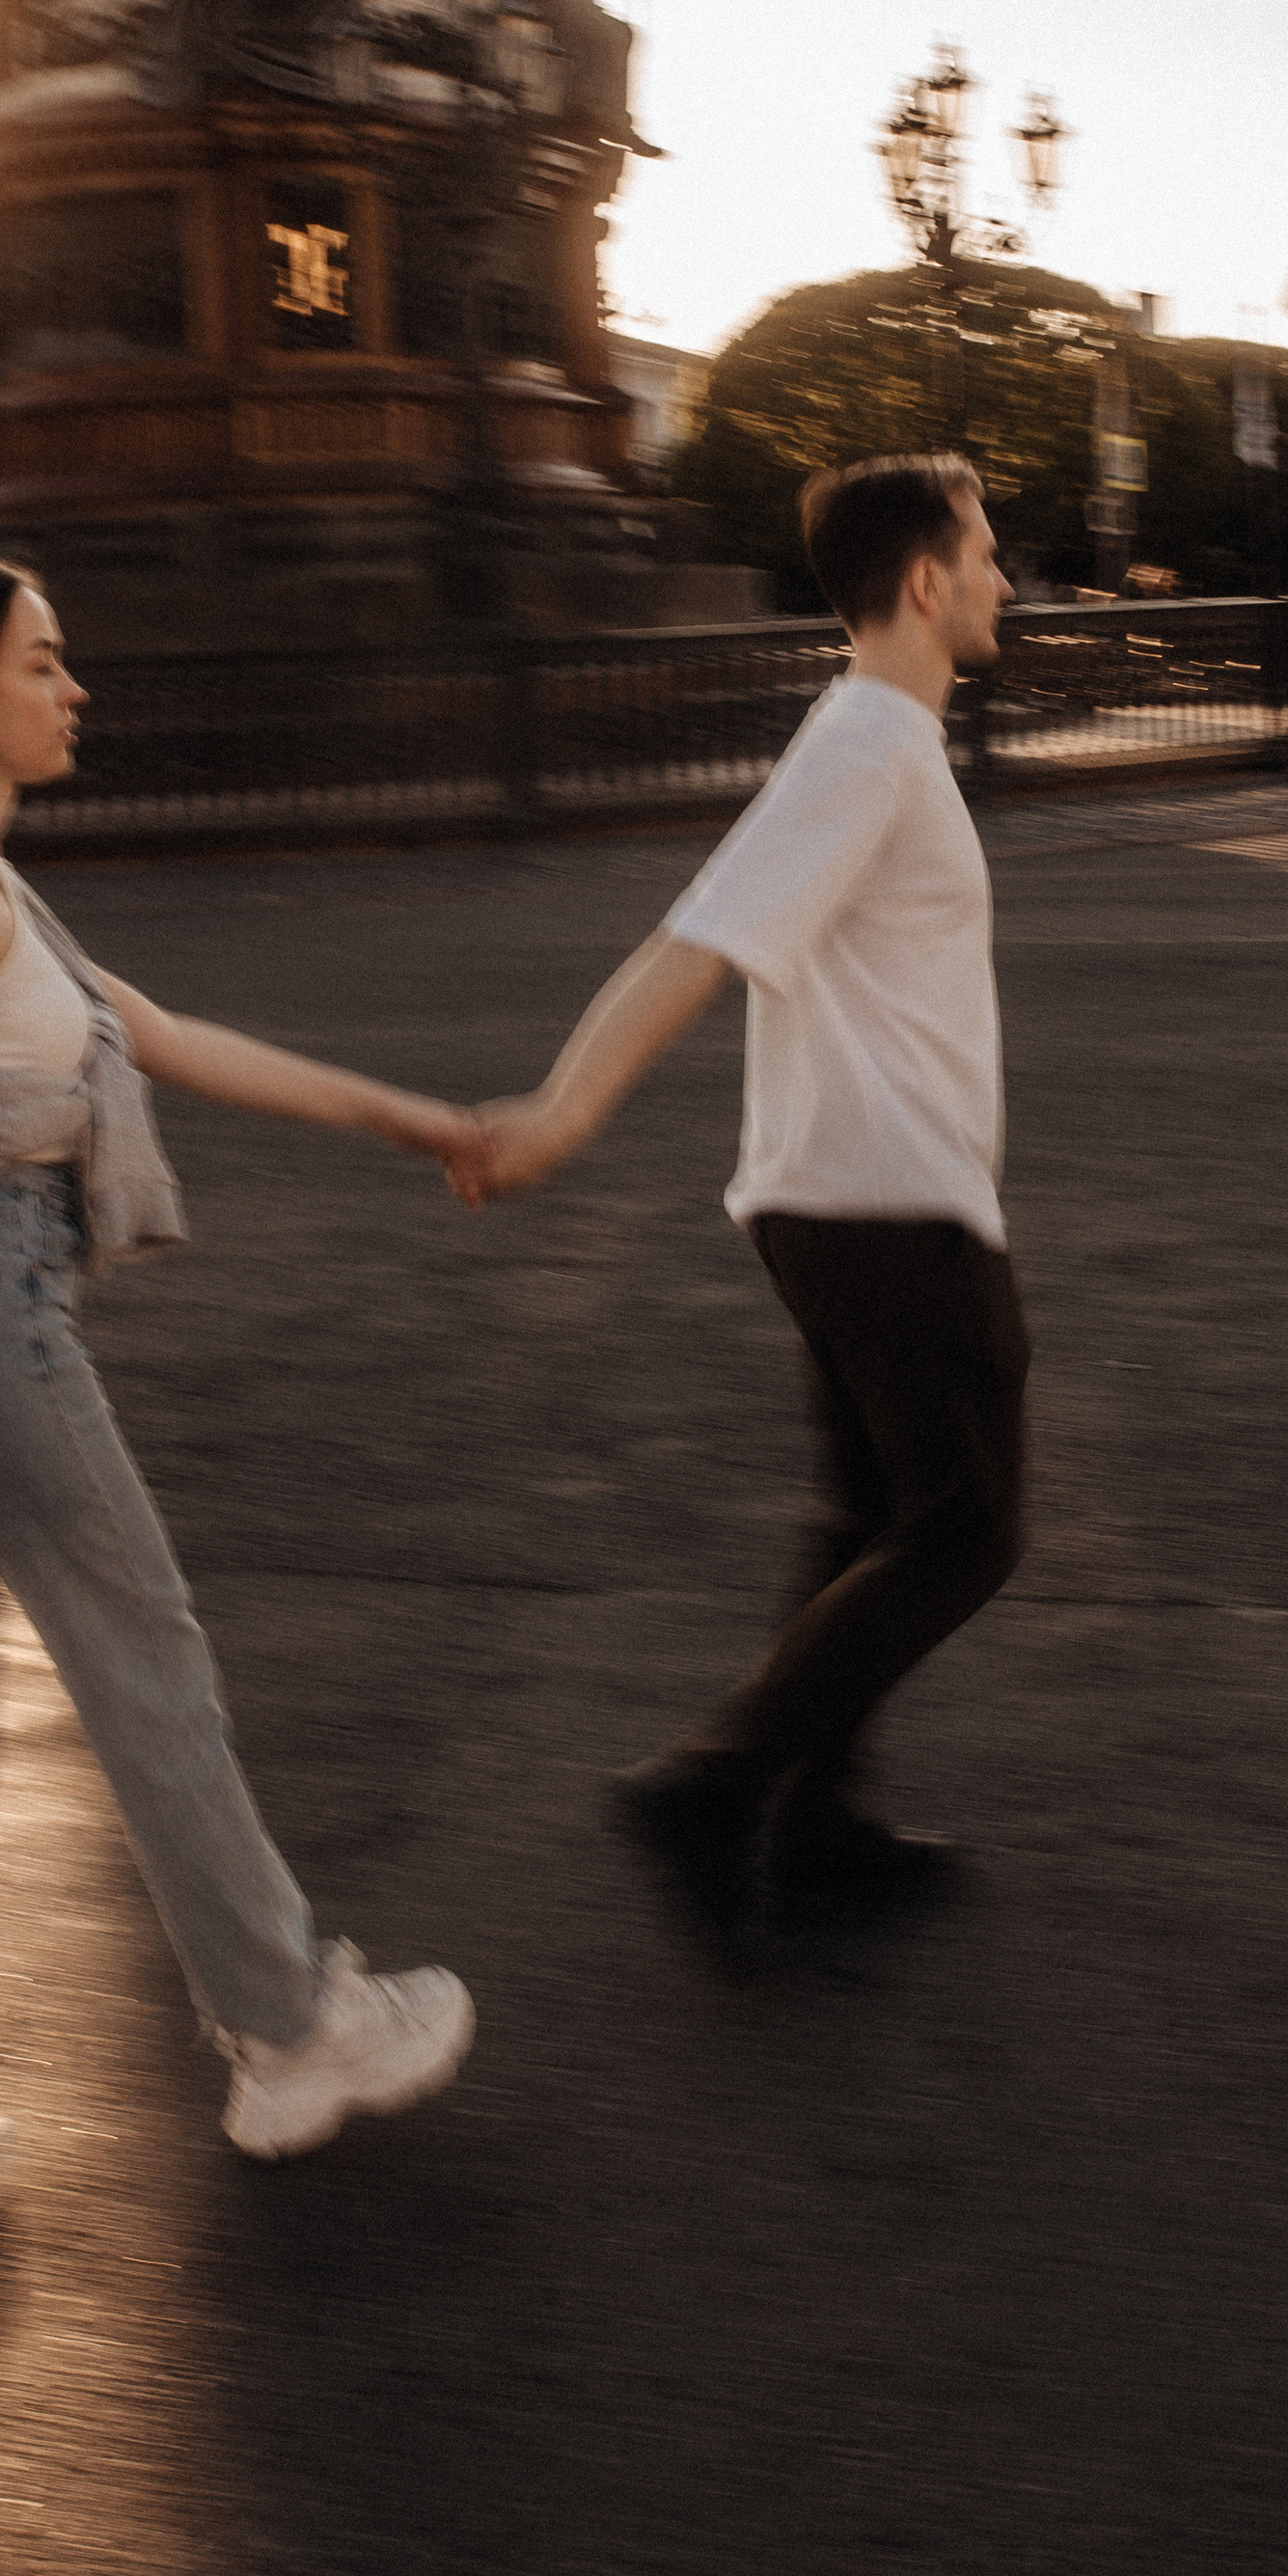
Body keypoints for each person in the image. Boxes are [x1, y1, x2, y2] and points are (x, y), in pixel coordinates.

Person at [0, 554, 479, 2269]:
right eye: (46, 662)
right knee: (147, 1666)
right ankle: (292, 2030)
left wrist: (415, 1119)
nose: (75, 689)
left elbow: (161, 1038)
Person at [463, 454, 1030, 1952]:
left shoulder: (882, 740)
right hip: (881, 1196)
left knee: (868, 1515)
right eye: (983, 554)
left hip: (850, 1188)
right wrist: (563, 1112)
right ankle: (715, 1784)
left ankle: (818, 1822)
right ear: (923, 580)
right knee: (967, 1527)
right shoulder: (868, 743)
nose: (1002, 581)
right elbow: (696, 942)